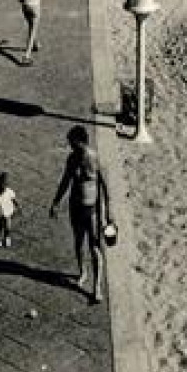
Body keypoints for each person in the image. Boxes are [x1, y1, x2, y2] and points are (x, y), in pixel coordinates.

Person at [49, 125, 111, 302]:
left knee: (95, 247)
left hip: (92, 208)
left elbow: (106, 188)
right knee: (78, 242)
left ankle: (97, 287)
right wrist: (56, 202)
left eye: (73, 144)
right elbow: (65, 181)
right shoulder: (71, 159)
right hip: (75, 206)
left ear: (81, 142)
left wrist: (109, 214)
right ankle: (82, 272)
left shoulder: (95, 158)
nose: (71, 147)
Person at [16, 0, 64, 64]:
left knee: (31, 25)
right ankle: (26, 56)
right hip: (35, 8)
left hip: (25, 7)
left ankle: (35, 44)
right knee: (33, 29)